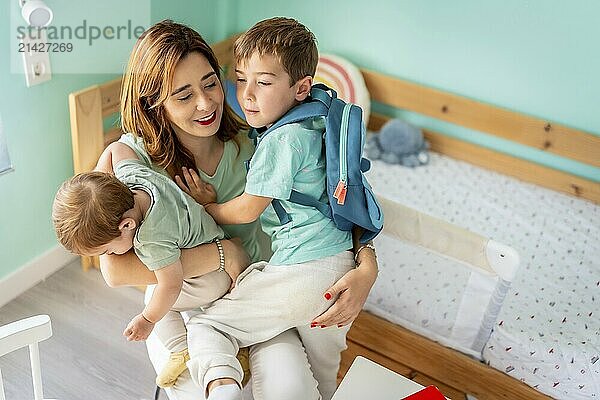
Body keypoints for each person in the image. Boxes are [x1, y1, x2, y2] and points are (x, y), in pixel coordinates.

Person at [99, 19, 378, 400]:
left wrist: (367, 263)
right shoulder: (134, 161)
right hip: (184, 307)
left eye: (211, 83)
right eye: (183, 95)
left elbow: (334, 193)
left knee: (292, 389)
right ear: (154, 102)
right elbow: (114, 269)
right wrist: (223, 254)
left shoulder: (258, 144)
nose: (206, 102)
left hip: (262, 289)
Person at [51, 142, 244, 388]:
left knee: (157, 299)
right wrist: (97, 182)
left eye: (109, 250)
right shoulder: (134, 178)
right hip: (212, 241)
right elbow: (115, 149)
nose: (111, 255)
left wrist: (148, 319)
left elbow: (171, 284)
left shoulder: (152, 239)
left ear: (126, 226)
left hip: (211, 277)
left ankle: (182, 351)